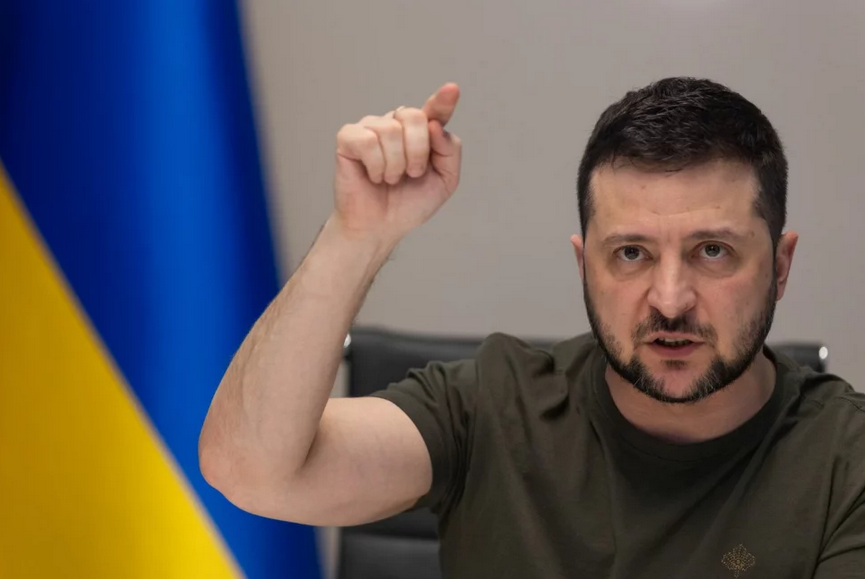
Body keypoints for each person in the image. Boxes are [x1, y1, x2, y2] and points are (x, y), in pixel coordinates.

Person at [199, 77, 865, 578]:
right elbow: (248, 471)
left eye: (712, 251)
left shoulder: (848, 461)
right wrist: (356, 237)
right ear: (584, 266)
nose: (669, 300)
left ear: (780, 266)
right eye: (630, 253)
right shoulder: (489, 406)